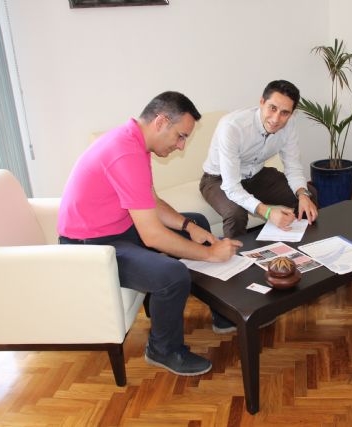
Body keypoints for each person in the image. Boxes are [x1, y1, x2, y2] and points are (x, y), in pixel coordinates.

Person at [58, 91, 242, 376]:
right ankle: (162, 349)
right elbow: (152, 237)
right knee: (172, 275)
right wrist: (210, 254)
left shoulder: (135, 142)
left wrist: (188, 226)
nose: (181, 146)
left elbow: (151, 202)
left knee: (199, 224)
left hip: (115, 228)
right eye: (180, 136)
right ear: (160, 122)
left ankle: (221, 313)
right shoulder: (125, 152)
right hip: (90, 246)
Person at [199, 80, 318, 333]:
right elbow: (232, 187)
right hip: (218, 180)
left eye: (285, 112)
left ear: (291, 113)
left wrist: (303, 193)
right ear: (261, 102)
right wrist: (267, 211)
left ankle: (293, 268)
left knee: (309, 196)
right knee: (236, 214)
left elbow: (293, 167)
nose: (276, 119)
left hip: (256, 175)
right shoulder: (232, 126)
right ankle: (229, 304)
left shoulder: (288, 125)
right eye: (272, 108)